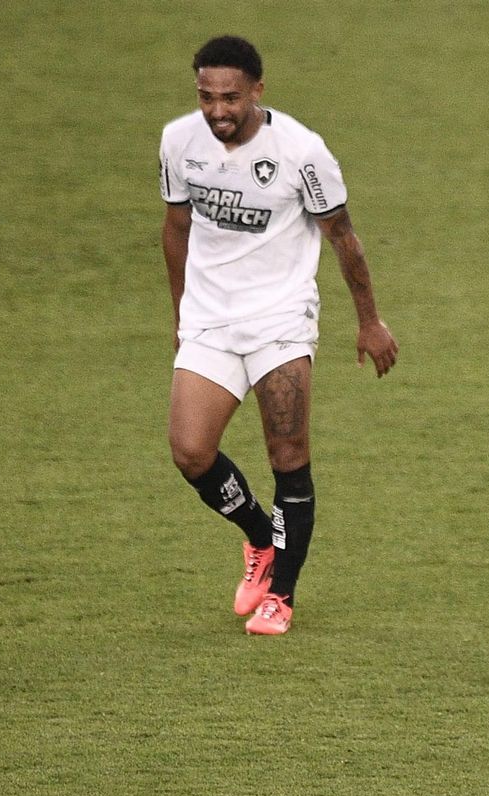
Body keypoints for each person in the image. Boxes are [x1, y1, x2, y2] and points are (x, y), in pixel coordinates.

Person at [159, 35, 398, 635]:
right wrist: (180, 313)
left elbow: (344, 237)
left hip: (281, 321)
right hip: (210, 320)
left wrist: (369, 321)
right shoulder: (178, 142)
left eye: (231, 98)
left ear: (258, 91)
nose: (218, 111)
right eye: (206, 97)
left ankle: (282, 595)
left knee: (287, 456)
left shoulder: (302, 152)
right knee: (190, 452)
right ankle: (262, 540)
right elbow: (175, 227)